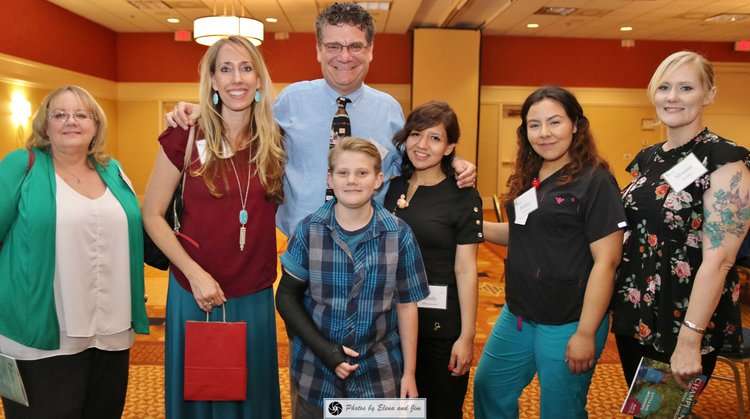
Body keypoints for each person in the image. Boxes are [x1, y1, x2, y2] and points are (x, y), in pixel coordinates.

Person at [166, 2, 476, 237]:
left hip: (370, 249)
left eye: (355, 46)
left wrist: (453, 162)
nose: (345, 56)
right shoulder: (290, 101)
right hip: (301, 247)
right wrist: (201, 110)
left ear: (370, 51)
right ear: (318, 50)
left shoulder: (390, 110)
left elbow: (411, 162)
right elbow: (244, 124)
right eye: (333, 46)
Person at [142, 36, 285, 418]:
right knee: (199, 395)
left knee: (251, 399)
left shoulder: (275, 141)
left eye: (246, 68)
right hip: (194, 291)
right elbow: (152, 214)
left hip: (252, 293)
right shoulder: (185, 134)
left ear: (258, 79)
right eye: (226, 69)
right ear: (213, 80)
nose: (237, 78)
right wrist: (195, 274)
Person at [473, 86, 626, 419]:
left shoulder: (595, 180)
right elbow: (522, 233)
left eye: (554, 122)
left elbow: (607, 261)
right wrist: (470, 227)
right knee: (489, 387)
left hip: (569, 319)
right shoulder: (531, 176)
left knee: (560, 411)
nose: (544, 133)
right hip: (519, 313)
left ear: (575, 125)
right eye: (534, 124)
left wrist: (585, 332)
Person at [0, 85, 148, 418]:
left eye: (81, 114)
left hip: (110, 333)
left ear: (96, 125)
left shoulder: (112, 170)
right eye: (60, 114)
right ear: (45, 124)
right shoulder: (21, 166)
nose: (71, 121)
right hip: (39, 335)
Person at [612, 51, 750, 389]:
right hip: (636, 311)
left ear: (709, 94)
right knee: (644, 408)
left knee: (659, 410)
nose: (672, 97)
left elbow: (720, 260)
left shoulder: (725, 160)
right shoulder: (648, 158)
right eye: (664, 87)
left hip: (682, 321)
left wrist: (690, 338)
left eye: (686, 88)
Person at [276, 138, 430, 419]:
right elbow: (286, 298)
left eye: (362, 173)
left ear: (378, 180)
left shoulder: (399, 235)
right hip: (316, 374)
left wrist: (409, 373)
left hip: (378, 375)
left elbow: (407, 306)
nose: (352, 181)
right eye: (343, 173)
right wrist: (326, 352)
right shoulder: (309, 230)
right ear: (330, 179)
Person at [383, 101, 482, 418]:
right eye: (416, 134)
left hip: (440, 328)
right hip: (391, 325)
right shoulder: (391, 187)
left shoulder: (462, 194)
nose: (422, 145)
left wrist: (466, 336)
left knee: (440, 410)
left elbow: (466, 269)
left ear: (450, 147)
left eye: (435, 138)